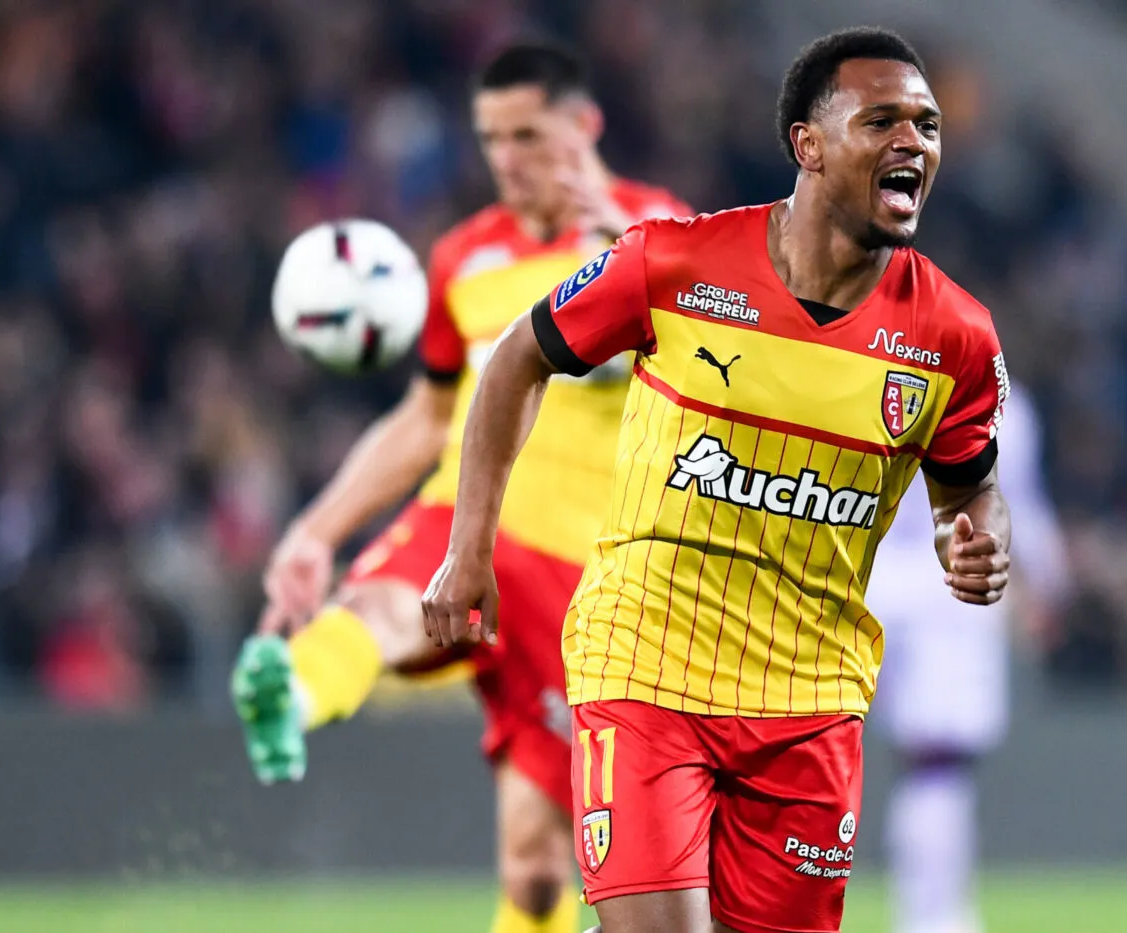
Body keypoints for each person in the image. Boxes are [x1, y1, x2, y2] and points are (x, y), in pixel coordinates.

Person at [422, 26, 1012, 933]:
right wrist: (468, 551)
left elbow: (968, 487)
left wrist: (971, 538)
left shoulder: (954, 335)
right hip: (648, 663)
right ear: (807, 145)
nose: (914, 142)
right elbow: (513, 363)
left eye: (927, 126)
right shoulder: (675, 263)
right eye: (883, 120)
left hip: (811, 701)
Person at [229, 43, 690, 933]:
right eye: (492, 138)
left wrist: (633, 264)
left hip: (584, 576)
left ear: (585, 126)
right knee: (380, 605)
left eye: (528, 134)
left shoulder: (661, 233)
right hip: (470, 527)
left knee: (536, 869)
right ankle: (296, 685)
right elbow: (427, 420)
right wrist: (316, 532)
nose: (509, 158)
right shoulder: (463, 259)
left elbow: (720, 387)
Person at [865, 379, 1067, 933]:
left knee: (794, 745)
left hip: (853, 575)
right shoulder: (1004, 402)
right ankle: (934, 920)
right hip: (944, 589)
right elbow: (1015, 501)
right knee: (937, 764)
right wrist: (1049, 583)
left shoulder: (862, 361)